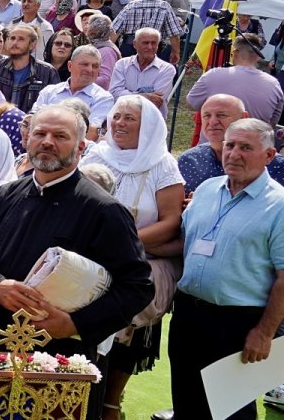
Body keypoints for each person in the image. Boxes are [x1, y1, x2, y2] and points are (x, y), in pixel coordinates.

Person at [0, 106, 153, 361]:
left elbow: (137, 286)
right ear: (27, 140)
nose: (48, 142)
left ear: (81, 147)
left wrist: (76, 323)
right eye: (40, 133)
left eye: (60, 136)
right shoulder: (6, 195)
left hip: (58, 355)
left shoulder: (104, 210)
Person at [171, 119, 284, 420]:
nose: (233, 153)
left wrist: (264, 333)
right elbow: (184, 243)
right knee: (186, 401)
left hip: (239, 322)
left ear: (269, 156)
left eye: (245, 147)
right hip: (188, 315)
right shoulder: (206, 190)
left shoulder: (283, 208)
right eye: (230, 145)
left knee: (230, 412)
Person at [78, 96, 184, 420]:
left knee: (128, 327)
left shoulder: (162, 164)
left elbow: (170, 222)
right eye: (117, 117)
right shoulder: (96, 153)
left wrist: (123, 241)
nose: (120, 123)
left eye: (130, 119)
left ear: (149, 126)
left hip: (141, 259)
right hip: (89, 255)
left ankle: (110, 402)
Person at [178, 94, 284, 200]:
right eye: (207, 116)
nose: (212, 122)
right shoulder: (188, 160)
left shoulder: (273, 163)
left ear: (243, 117)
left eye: (221, 115)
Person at [186, 33, 282, 132]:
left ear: (234, 53)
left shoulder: (212, 75)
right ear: (258, 56)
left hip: (213, 144)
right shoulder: (274, 84)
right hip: (252, 144)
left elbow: (191, 103)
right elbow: (272, 123)